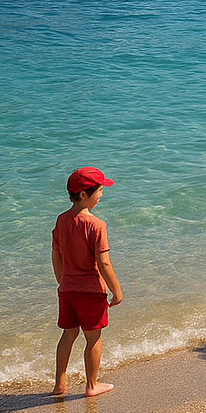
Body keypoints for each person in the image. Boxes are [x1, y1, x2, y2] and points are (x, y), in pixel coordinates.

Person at [51, 167, 123, 398]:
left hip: (67, 290)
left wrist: (62, 280)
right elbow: (104, 263)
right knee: (93, 338)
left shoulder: (61, 220)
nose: (101, 194)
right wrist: (116, 291)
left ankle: (59, 384)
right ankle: (92, 385)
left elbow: (56, 254)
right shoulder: (96, 225)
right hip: (91, 291)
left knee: (68, 335)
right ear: (84, 194)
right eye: (99, 190)